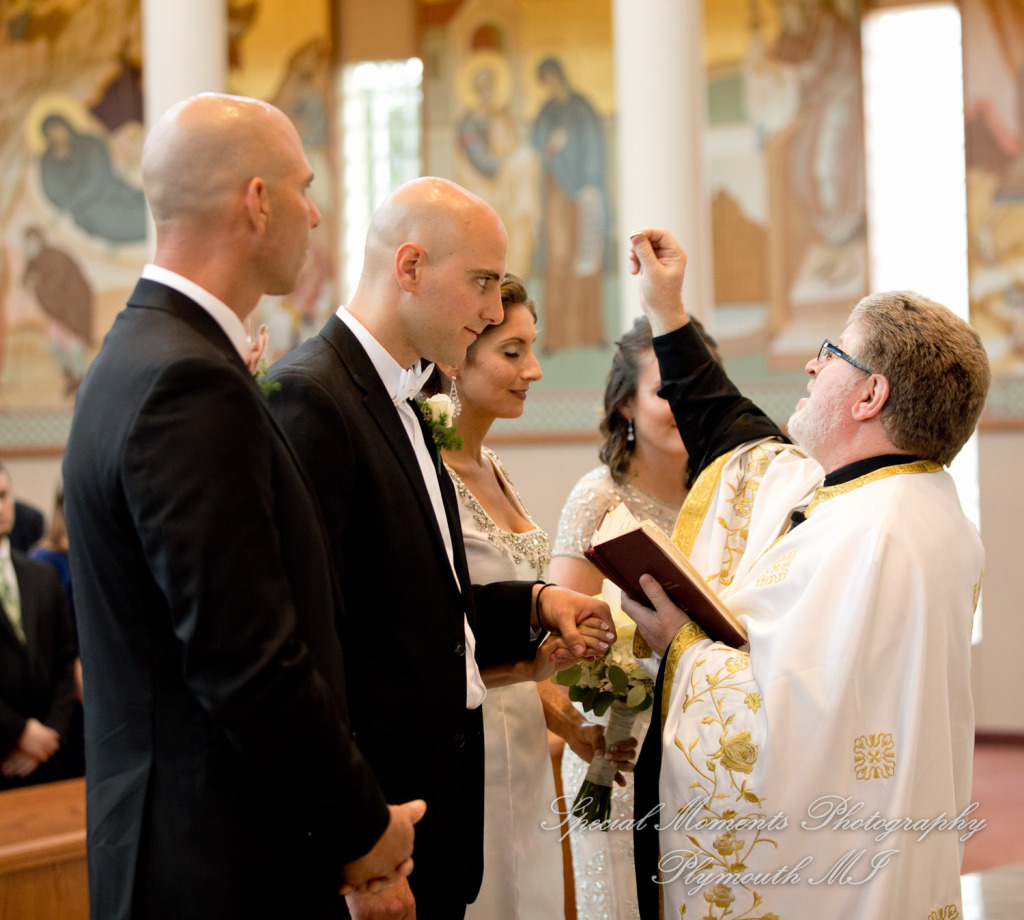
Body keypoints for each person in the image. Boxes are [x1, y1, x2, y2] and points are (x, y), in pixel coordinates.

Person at [62, 93, 423, 920]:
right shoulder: (186, 384)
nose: (317, 212)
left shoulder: (138, 354)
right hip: (215, 864)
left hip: (184, 845)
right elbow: (246, 657)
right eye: (303, 186)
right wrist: (362, 828)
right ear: (258, 203)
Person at [266, 176, 615, 920]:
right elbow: (313, 642)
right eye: (483, 282)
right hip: (384, 817)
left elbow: (420, 601)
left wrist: (535, 601)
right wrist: (359, 841)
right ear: (411, 266)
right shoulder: (313, 398)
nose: (494, 308)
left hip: (447, 811)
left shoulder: (410, 406)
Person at [622, 227, 991, 920]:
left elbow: (785, 722)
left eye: (831, 353)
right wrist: (667, 311)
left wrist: (680, 647)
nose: (813, 367)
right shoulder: (906, 504)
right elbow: (732, 429)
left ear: (869, 394)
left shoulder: (864, 533)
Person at [422, 273, 633, 920]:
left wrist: (572, 723)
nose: (534, 370)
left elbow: (524, 650)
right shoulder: (426, 475)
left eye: (532, 350)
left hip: (522, 738)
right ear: (456, 357)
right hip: (466, 746)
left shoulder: (495, 469)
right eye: (513, 352)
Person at [549, 314, 719, 919]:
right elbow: (559, 641)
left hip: (709, 739)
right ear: (626, 404)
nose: (683, 402)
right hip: (618, 745)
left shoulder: (726, 497)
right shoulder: (599, 497)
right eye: (663, 389)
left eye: (694, 384)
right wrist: (620, 674)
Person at [0, 462, 78, 790]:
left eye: (3, 495)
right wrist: (19, 733)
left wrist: (50, 734)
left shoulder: (41, 576)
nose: (0, 507)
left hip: (50, 755)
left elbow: (66, 659)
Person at [531, 56, 608, 351]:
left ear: (560, 75)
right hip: (557, 198)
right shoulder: (546, 112)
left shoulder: (582, 108)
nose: (550, 85)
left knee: (588, 260)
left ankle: (591, 332)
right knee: (558, 261)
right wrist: (552, 144)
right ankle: (557, 336)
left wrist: (590, 182)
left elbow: (594, 146)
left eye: (552, 77)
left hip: (585, 197)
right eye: (544, 81)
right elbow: (538, 145)